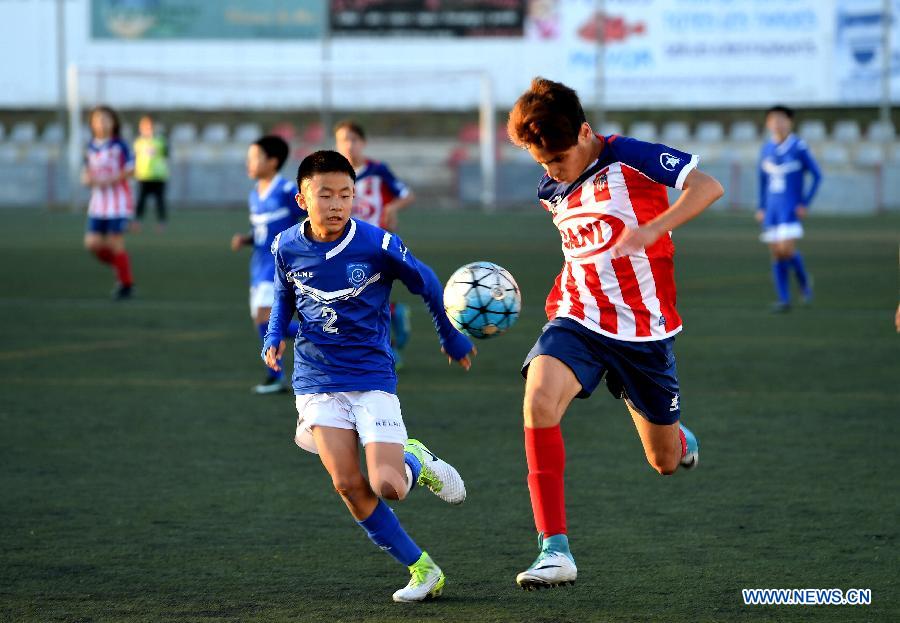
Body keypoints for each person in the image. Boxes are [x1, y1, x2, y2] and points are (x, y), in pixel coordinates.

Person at [506, 78, 724, 589]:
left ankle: (676, 435)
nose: (551, 170)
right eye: (542, 162)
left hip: (644, 331)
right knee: (537, 399)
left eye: (558, 159)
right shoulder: (550, 188)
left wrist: (652, 229)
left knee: (664, 462)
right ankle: (554, 550)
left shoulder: (629, 155)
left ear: (585, 132)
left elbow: (707, 186)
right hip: (577, 317)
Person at [262, 150, 475, 602]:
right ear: (302, 199)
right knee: (346, 484)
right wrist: (274, 335)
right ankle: (423, 570)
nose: (337, 204)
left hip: (371, 376)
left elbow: (428, 281)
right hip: (315, 379)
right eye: (326, 195)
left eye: (346, 194)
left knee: (388, 486)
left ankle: (414, 459)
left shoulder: (377, 244)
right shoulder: (285, 246)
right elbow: (284, 294)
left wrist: (450, 337)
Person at [334, 120, 416, 368]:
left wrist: (391, 207)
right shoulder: (334, 174)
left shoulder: (378, 171)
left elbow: (407, 195)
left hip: (374, 244)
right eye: (342, 140)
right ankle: (395, 315)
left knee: (364, 299)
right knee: (356, 299)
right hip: (342, 245)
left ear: (363, 143)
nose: (348, 145)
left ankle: (387, 350)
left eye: (353, 139)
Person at [231, 135, 303, 394]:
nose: (248, 163)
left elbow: (309, 220)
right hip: (258, 266)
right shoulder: (254, 194)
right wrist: (247, 239)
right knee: (263, 322)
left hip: (278, 267)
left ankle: (276, 375)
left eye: (254, 158)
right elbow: (263, 231)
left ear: (272, 161)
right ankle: (323, 332)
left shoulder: (286, 191)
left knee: (265, 319)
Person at [757, 105, 822, 312]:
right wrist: (761, 206)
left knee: (787, 249)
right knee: (776, 253)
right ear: (768, 123)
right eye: (772, 119)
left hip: (790, 207)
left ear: (789, 122)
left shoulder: (799, 147)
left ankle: (803, 282)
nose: (776, 123)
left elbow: (817, 175)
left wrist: (805, 202)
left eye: (781, 119)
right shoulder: (766, 148)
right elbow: (762, 180)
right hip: (772, 208)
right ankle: (784, 299)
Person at [82, 105, 136, 300]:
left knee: (115, 242)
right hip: (98, 204)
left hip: (118, 202)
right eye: (97, 119)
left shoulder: (119, 145)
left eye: (106, 119)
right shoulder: (90, 147)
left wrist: (111, 179)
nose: (102, 123)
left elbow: (132, 169)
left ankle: (125, 284)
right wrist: (87, 179)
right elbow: (85, 173)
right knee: (92, 243)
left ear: (114, 123)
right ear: (92, 124)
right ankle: (123, 270)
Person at [132, 115, 169, 232]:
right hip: (143, 176)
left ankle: (161, 223)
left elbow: (166, 155)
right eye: (145, 126)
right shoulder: (138, 142)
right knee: (141, 201)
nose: (148, 128)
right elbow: (135, 157)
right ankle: (137, 222)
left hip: (159, 176)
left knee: (160, 201)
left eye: (150, 125)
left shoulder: (161, 140)